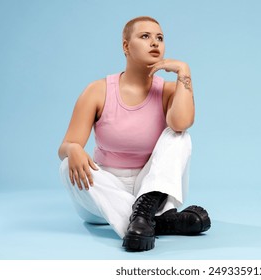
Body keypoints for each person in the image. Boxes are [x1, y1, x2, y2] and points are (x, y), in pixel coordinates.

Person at [58, 16, 210, 251]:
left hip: (152, 189)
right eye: (145, 36)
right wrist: (73, 148)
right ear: (126, 46)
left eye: (159, 38)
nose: (155, 43)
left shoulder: (169, 90)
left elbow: (181, 123)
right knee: (67, 165)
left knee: (179, 136)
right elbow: (66, 145)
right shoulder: (97, 90)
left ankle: (145, 214)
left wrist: (184, 71)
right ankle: (154, 222)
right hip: (103, 195)